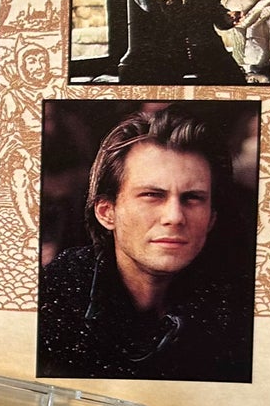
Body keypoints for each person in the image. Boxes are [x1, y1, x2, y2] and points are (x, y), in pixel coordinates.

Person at [37, 109, 251, 382]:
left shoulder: (241, 312)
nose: (174, 217)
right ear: (106, 212)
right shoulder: (55, 296)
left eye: (192, 198)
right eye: (152, 195)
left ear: (211, 218)